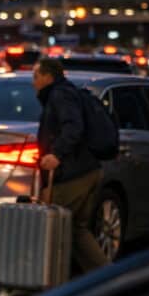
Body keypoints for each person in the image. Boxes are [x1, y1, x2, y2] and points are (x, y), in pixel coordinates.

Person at [33, 57, 108, 272]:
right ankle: (105, 278)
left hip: (72, 175)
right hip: (87, 171)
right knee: (76, 229)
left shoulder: (60, 94)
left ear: (48, 76)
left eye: (36, 76)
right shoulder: (66, 92)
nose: (33, 82)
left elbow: (74, 127)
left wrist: (56, 154)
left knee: (51, 228)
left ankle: (50, 284)